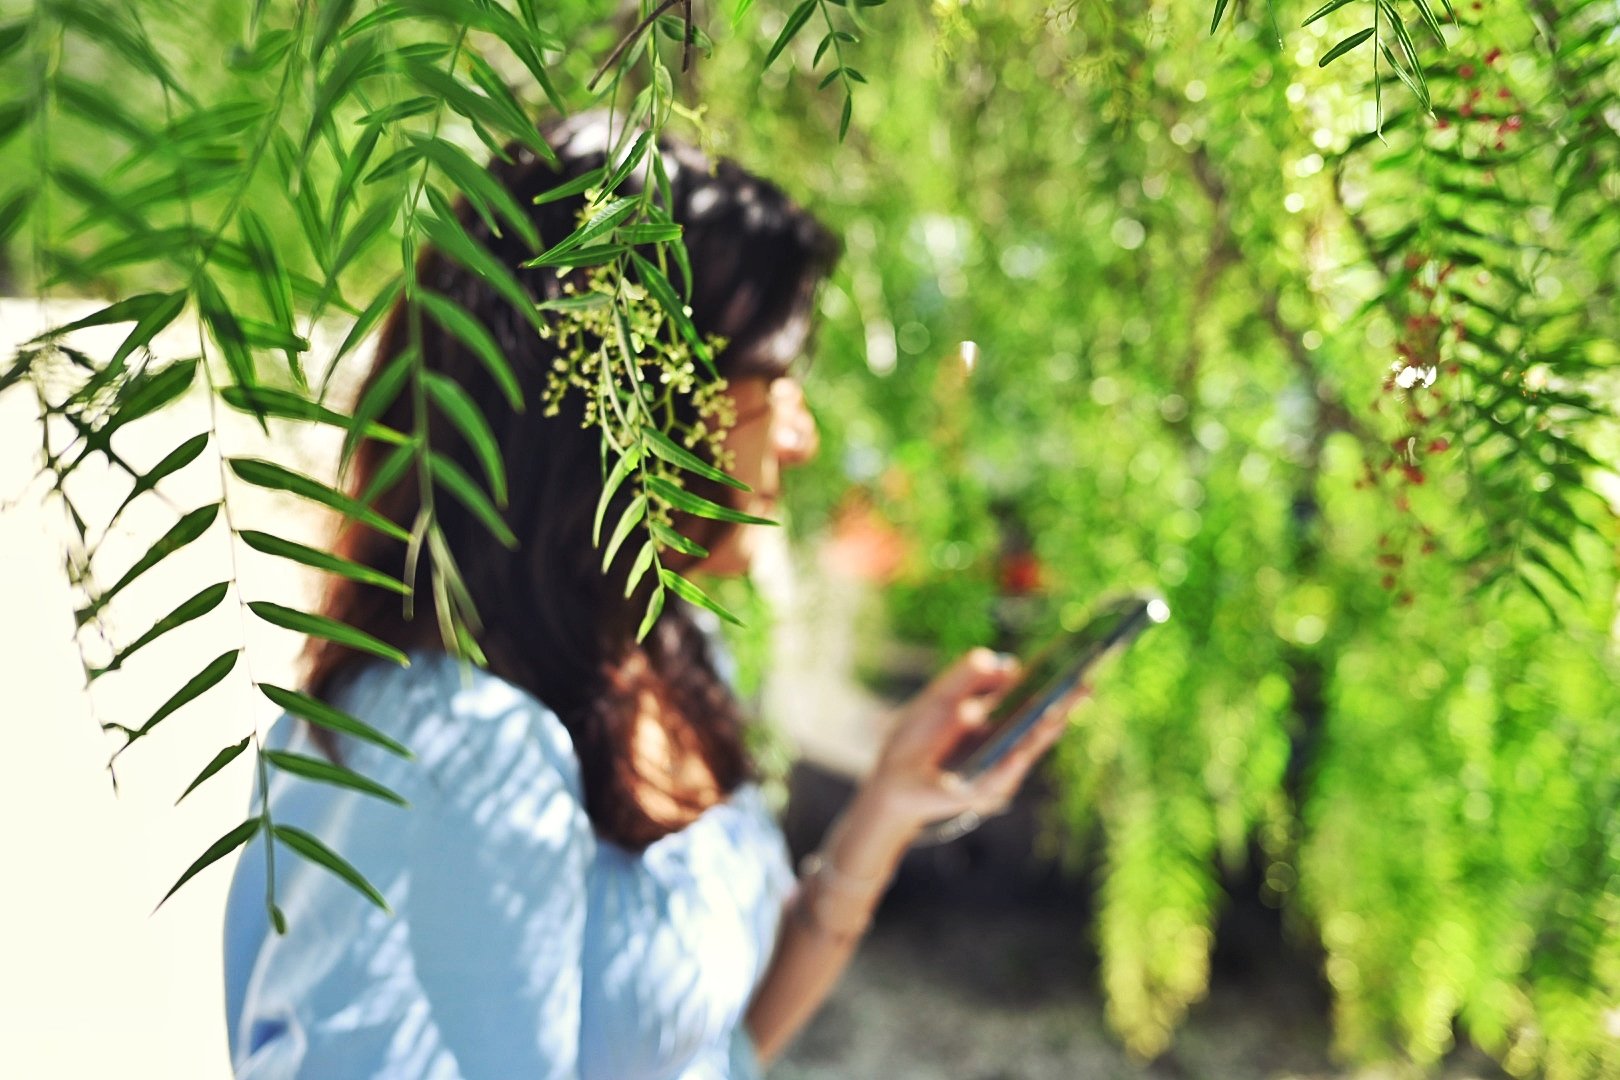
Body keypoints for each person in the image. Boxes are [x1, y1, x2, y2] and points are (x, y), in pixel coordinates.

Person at [223, 112, 1082, 1079]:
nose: (797, 437)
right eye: (773, 382)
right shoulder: (452, 751)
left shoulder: (654, 646)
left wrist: (889, 802)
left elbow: (708, 1047)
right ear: (634, 406)